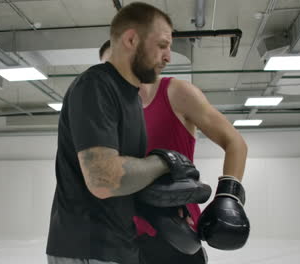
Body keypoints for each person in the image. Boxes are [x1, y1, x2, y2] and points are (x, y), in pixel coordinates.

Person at [46, 3, 192, 264]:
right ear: (131, 39)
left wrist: (164, 204)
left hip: (119, 245)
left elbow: (123, 184)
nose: (169, 56)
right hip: (87, 249)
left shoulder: (131, 98)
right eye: (162, 45)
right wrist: (164, 161)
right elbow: (104, 180)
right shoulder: (96, 86)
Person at [99, 37, 248, 263]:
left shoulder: (177, 93)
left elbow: (235, 143)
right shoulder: (109, 114)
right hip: (124, 236)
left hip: (176, 233)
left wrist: (228, 196)